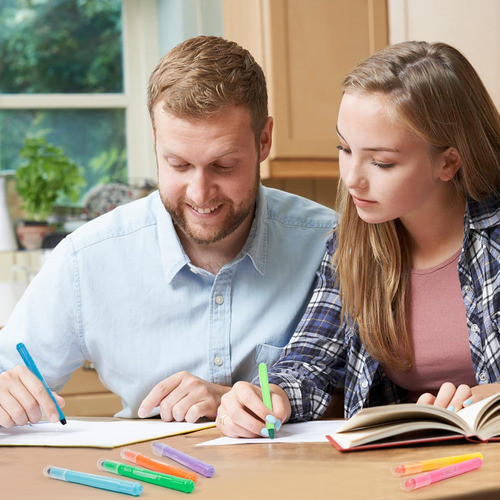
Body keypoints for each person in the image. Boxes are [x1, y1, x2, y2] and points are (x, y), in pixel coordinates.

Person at [0, 36, 336, 428]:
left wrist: (235, 400)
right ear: (156, 142)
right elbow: (10, 371)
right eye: (177, 164)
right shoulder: (86, 260)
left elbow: (361, 396)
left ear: (264, 140)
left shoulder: (329, 243)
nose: (200, 193)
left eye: (224, 165)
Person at [216, 40, 500, 438]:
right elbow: (309, 363)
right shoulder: (353, 244)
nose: (352, 178)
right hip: (404, 470)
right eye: (344, 149)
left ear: (448, 162)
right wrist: (270, 396)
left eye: (382, 162)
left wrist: (489, 401)